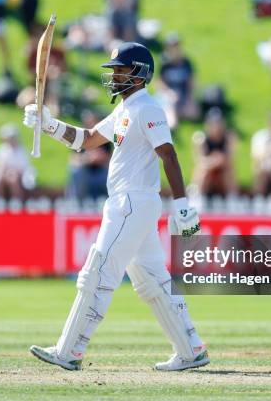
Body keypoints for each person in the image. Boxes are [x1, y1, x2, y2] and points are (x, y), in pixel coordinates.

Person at [23, 42, 208, 372]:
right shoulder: (125, 110)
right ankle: (191, 348)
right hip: (130, 204)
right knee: (153, 281)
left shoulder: (147, 109)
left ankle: (69, 351)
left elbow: (169, 154)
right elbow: (86, 139)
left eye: (120, 69)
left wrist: (181, 204)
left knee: (97, 272)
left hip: (132, 203)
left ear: (139, 73)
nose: (114, 75)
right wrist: (49, 124)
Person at [191, 108, 237, 197]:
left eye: (218, 122)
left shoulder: (229, 137)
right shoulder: (200, 137)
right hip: (208, 170)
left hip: (223, 171)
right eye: (213, 123)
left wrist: (217, 160)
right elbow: (199, 160)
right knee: (202, 169)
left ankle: (232, 196)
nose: (216, 126)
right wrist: (215, 160)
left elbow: (230, 158)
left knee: (229, 169)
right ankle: (197, 196)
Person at [157, 33, 199, 127]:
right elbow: (160, 82)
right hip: (170, 95)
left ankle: (174, 113)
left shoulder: (186, 62)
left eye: (176, 47)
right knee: (172, 115)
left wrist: (189, 97)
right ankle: (171, 123)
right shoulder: (164, 63)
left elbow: (191, 81)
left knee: (194, 113)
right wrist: (168, 92)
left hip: (183, 95)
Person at [0, 123, 31, 199]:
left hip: (18, 176)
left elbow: (23, 168)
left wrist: (12, 172)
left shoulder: (22, 151)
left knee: (13, 180)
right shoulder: (1, 149)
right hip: (4, 175)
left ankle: (17, 202)